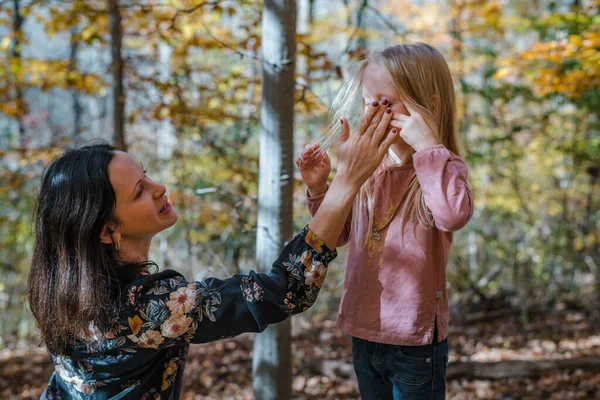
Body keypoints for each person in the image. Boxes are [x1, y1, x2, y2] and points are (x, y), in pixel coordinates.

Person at [26, 102, 397, 399]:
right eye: (139, 190)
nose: (160, 188)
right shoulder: (147, 309)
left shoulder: (65, 290)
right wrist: (346, 182)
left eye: (147, 174)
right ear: (107, 231)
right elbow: (285, 290)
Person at [297, 43, 474, 399]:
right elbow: (341, 234)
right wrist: (319, 188)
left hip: (415, 340)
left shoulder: (441, 166)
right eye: (368, 103)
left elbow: (452, 216)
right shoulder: (369, 171)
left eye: (387, 103)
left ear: (430, 106)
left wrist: (427, 147)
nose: (375, 114)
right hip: (364, 330)